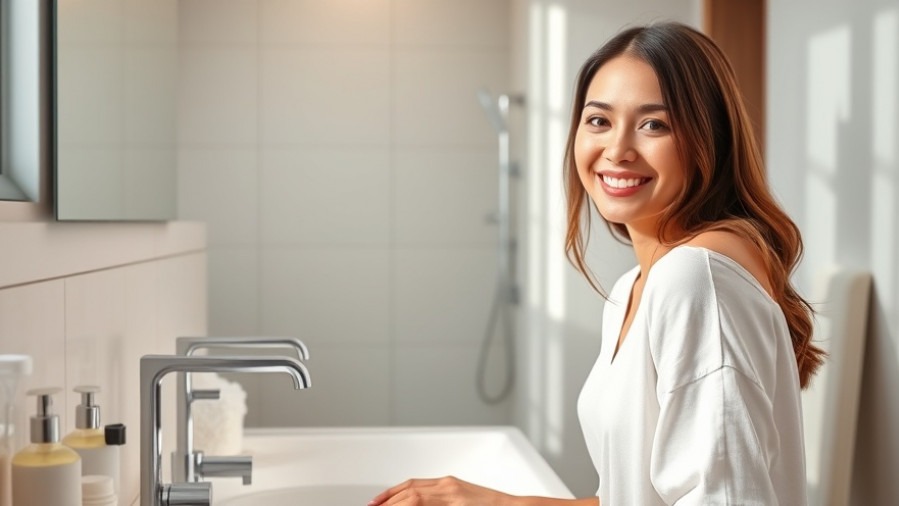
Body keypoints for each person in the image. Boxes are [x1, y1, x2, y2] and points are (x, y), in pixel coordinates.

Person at [368, 21, 823, 506]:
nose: (617, 150)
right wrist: (500, 502)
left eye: (655, 124)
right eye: (599, 120)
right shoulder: (634, 288)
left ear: (709, 139)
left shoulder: (695, 280)